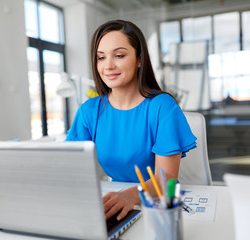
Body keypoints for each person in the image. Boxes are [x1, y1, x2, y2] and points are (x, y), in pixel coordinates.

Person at [66, 19, 196, 221]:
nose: (108, 65)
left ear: (139, 60)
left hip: (156, 203)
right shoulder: (89, 111)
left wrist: (131, 196)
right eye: (101, 57)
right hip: (114, 200)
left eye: (119, 55)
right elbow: (70, 167)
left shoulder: (162, 106)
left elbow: (167, 177)